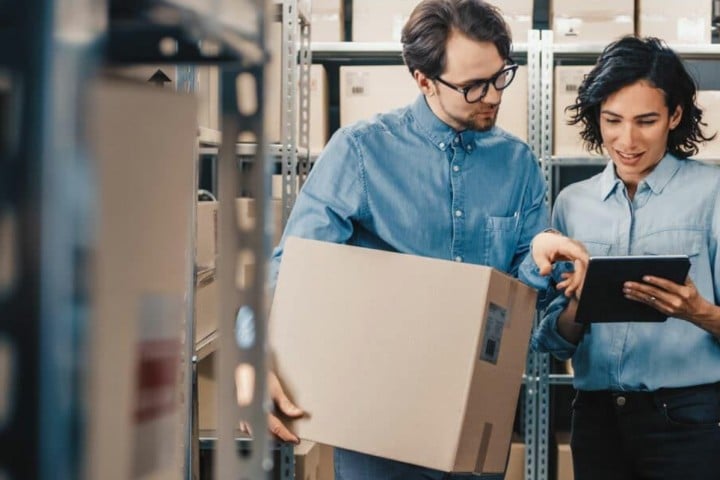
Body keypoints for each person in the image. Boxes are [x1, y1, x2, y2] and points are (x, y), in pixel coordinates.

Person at [265, 1, 588, 478]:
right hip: (378, 424)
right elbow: (289, 273)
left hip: (478, 418)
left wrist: (539, 257)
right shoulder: (359, 152)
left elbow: (525, 302)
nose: (493, 96)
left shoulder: (517, 164)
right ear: (423, 80)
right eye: (473, 86)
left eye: (501, 76)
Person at [531, 36, 720, 480]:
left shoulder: (712, 195)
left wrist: (698, 312)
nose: (626, 140)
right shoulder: (572, 204)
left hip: (687, 419)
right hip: (595, 420)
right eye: (612, 120)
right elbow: (553, 343)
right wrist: (579, 303)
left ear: (674, 116)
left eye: (646, 121)